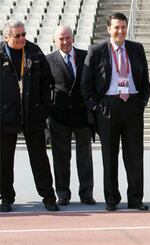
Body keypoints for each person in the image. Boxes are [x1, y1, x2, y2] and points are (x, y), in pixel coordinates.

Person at [81, 13, 150, 211]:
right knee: (109, 156)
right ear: (108, 29)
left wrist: (141, 102)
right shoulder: (97, 51)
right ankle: (111, 199)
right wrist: (96, 106)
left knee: (135, 156)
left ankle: (136, 198)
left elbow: (145, 81)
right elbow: (86, 86)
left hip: (132, 106)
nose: (120, 31)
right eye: (116, 27)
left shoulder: (137, 48)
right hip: (108, 108)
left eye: (123, 27)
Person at [0, 19, 59, 212]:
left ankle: (48, 196)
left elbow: (47, 83)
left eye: (24, 34)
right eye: (17, 36)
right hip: (5, 115)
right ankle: (6, 197)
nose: (22, 38)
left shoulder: (34, 52)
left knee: (40, 158)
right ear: (6, 36)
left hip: (32, 113)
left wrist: (44, 109)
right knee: (4, 159)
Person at [46, 26, 95, 206]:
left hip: (82, 115)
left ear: (73, 38)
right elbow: (46, 88)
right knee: (60, 158)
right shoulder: (48, 60)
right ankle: (63, 193)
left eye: (67, 38)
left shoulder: (86, 56)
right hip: (59, 116)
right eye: (61, 39)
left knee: (85, 158)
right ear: (55, 41)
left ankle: (86, 193)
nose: (65, 42)